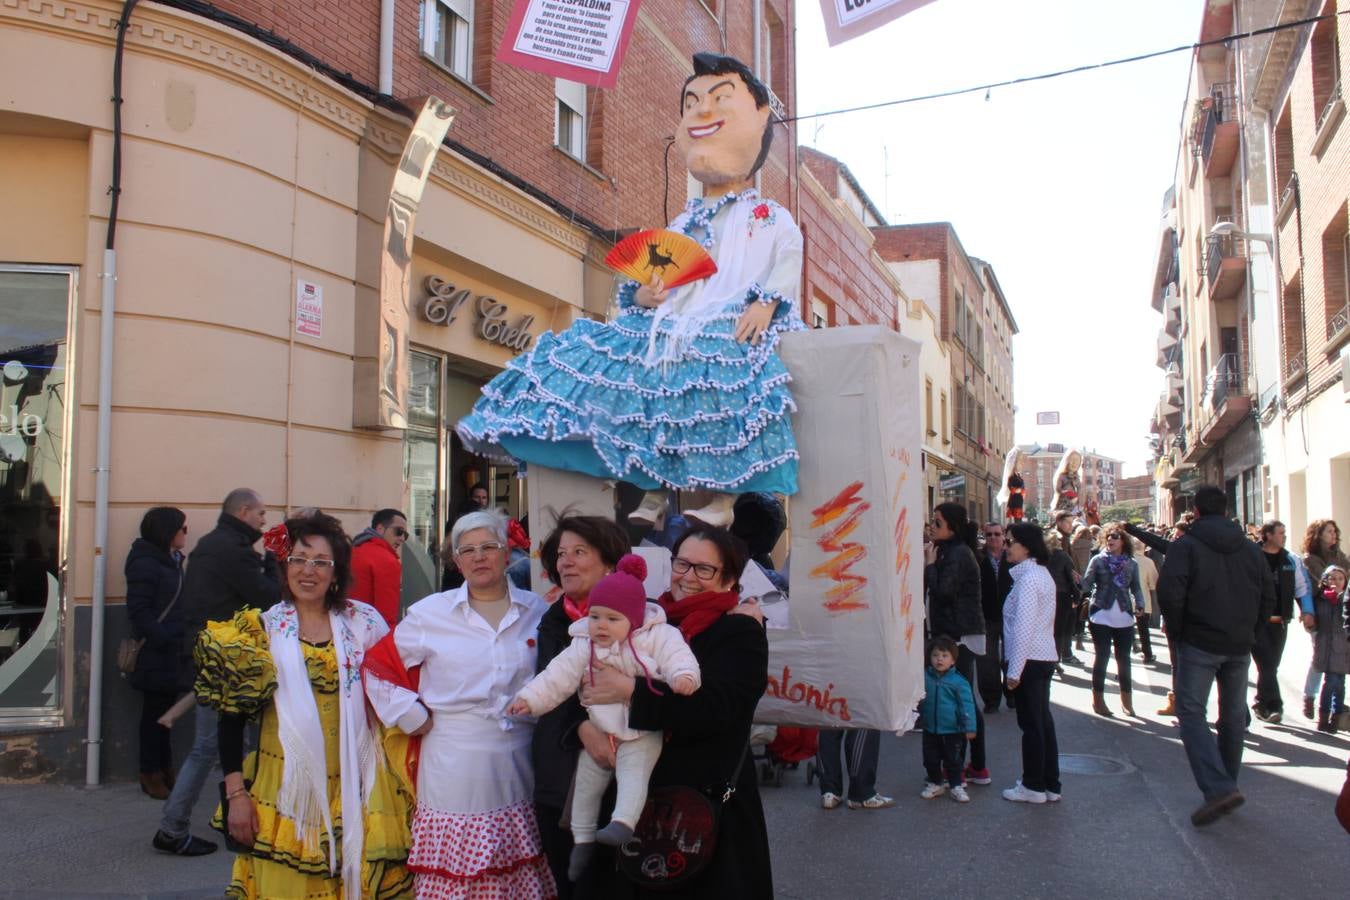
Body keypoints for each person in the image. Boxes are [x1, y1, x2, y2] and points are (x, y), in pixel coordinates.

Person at [457, 53, 804, 530]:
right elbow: (654, 273)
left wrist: (766, 302)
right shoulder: (682, 222)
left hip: (727, 318)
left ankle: (724, 497)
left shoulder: (768, 217)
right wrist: (643, 298)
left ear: (760, 118)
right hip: (672, 321)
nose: (702, 112)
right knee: (632, 378)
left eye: (719, 100)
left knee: (718, 374)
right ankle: (654, 492)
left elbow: (786, 255)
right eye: (692, 102)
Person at [195, 511, 412, 899]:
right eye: (298, 559)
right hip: (283, 795)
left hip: (362, 789)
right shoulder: (260, 630)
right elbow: (230, 721)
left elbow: (394, 697)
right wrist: (236, 796)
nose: (307, 571)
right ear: (285, 565)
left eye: (320, 562)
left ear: (337, 571)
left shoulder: (366, 624)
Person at [364, 509, 555, 898]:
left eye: (489, 546)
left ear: (507, 553)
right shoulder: (430, 614)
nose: (478, 556)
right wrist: (408, 713)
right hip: (453, 759)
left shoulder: (537, 612)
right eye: (467, 550)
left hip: (520, 755)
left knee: (516, 857)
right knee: (458, 870)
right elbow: (374, 668)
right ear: (456, 561)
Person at [578, 525, 773, 898]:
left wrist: (633, 693)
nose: (689, 577)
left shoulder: (740, 631)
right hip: (639, 804)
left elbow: (719, 708)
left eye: (704, 569)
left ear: (729, 579)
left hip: (703, 808)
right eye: (682, 563)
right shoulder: (648, 620)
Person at [508, 554, 700, 880]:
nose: (601, 626)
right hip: (601, 726)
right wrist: (530, 699)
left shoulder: (656, 636)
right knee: (585, 784)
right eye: (595, 616)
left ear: (634, 619)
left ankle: (623, 822)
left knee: (633, 774)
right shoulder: (584, 643)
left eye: (612, 619)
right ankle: (582, 840)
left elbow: (677, 656)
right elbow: (558, 676)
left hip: (641, 730)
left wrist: (683, 676)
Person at [152, 488, 281, 857]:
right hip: (222, 659)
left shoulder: (218, 545)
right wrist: (272, 560)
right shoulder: (231, 550)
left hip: (215, 655)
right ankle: (173, 827)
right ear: (243, 511)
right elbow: (267, 596)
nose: (264, 520)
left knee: (226, 744)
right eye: (261, 513)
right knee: (209, 746)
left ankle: (234, 821)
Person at [1157, 485, 1275, 827]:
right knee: (1233, 715)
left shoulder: (1187, 546)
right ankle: (1227, 783)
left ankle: (1219, 787)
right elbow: (1267, 594)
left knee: (1191, 712)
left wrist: (1179, 632)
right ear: (1226, 510)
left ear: (1195, 511)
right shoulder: (1250, 550)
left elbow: (1170, 592)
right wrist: (1252, 630)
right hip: (1238, 642)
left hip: (1200, 640)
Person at [531, 515, 631, 896]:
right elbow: (549, 692)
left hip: (627, 785)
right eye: (560, 554)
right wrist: (582, 727)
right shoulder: (554, 621)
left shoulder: (644, 617)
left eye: (578, 552)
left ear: (609, 562)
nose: (565, 562)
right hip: (561, 784)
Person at [125, 506, 189, 800]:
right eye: (182, 528)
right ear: (167, 531)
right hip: (155, 653)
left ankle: (163, 769)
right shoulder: (146, 563)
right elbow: (139, 610)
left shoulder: (170, 560)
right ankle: (150, 773)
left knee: (165, 717)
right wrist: (165, 639)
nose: (185, 533)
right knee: (154, 717)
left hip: (169, 652)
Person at [924, 502, 989, 785]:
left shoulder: (958, 554)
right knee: (960, 699)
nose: (932, 527)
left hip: (958, 636)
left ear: (953, 526)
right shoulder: (949, 551)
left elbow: (943, 591)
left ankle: (973, 765)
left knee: (963, 700)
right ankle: (967, 765)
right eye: (932, 521)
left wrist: (928, 566)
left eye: (937, 523)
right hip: (950, 632)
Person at [1001, 523, 1061, 804]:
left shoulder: (1030, 579)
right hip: (1040, 656)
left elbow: (1024, 626)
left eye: (1010, 541)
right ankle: (1049, 783)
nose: (1006, 546)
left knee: (1033, 724)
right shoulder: (1038, 575)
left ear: (1025, 546)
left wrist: (1014, 672)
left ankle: (1034, 784)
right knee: (1042, 723)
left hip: (1030, 659)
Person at [1081, 525, 1146, 717]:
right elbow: (1087, 583)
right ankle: (1098, 701)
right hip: (1100, 613)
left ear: (1123, 540)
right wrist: (1076, 581)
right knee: (1102, 657)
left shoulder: (1131, 563)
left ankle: (1127, 701)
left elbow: (1136, 587)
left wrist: (1140, 604)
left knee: (1124, 660)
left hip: (1124, 615)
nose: (1110, 539)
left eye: (1115, 536)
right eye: (1108, 536)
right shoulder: (1098, 560)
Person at [1251, 521, 1312, 724]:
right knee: (1267, 663)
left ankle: (1261, 703)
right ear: (1268, 535)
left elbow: (1302, 587)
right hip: (1257, 621)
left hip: (1280, 622)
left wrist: (1307, 611)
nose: (1284, 536)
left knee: (1270, 666)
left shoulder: (1290, 559)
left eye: (1284, 533)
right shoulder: (1252, 556)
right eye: (1280, 533)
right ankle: (1275, 705)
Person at [918, 636, 977, 803]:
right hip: (930, 728)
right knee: (930, 758)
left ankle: (956, 785)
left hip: (952, 730)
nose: (939, 659)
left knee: (953, 760)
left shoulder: (959, 682)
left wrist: (970, 727)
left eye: (944, 656)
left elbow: (967, 706)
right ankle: (935, 782)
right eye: (935, 655)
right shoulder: (924, 678)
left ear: (953, 660)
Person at [1301, 518, 1349, 718]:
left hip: (1341, 614)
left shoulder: (1340, 556)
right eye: (1329, 531)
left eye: (1334, 532)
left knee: (1339, 658)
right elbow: (1321, 583)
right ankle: (1309, 697)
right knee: (1319, 659)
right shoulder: (1311, 559)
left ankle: (1336, 703)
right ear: (1318, 534)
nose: (1333, 535)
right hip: (1321, 613)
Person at [349, 508, 408, 628]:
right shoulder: (387, 560)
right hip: (368, 633)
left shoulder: (353, 551)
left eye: (405, 535)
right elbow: (386, 615)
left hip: (343, 628)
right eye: (399, 531)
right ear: (380, 528)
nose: (402, 538)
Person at [977, 522, 1013, 712]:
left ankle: (1012, 694)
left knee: (1011, 657)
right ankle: (991, 700)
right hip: (986, 617)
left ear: (1003, 535)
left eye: (997, 534)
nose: (993, 537)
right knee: (987, 661)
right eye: (989, 534)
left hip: (1010, 618)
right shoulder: (978, 557)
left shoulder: (1013, 557)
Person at [1310, 565, 1350, 733]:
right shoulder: (1320, 599)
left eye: (1340, 579)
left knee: (1339, 684)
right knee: (1330, 682)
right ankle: (1324, 717)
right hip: (1325, 647)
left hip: (1342, 649)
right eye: (1332, 578)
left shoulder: (1345, 599)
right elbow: (1314, 623)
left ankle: (1336, 717)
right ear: (1325, 581)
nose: (1336, 582)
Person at [1043, 531, 1080, 669]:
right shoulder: (1063, 556)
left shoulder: (1041, 556)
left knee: (1047, 629)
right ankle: (1055, 660)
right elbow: (1071, 578)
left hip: (1045, 595)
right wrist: (1077, 595)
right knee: (1060, 630)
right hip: (1061, 595)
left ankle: (1048, 658)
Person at [1133, 539, 1159, 665]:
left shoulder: (1124, 559)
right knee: (1143, 628)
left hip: (1125, 599)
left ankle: (1131, 647)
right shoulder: (1148, 562)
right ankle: (1147, 653)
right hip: (1142, 599)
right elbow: (1153, 584)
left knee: (1125, 627)